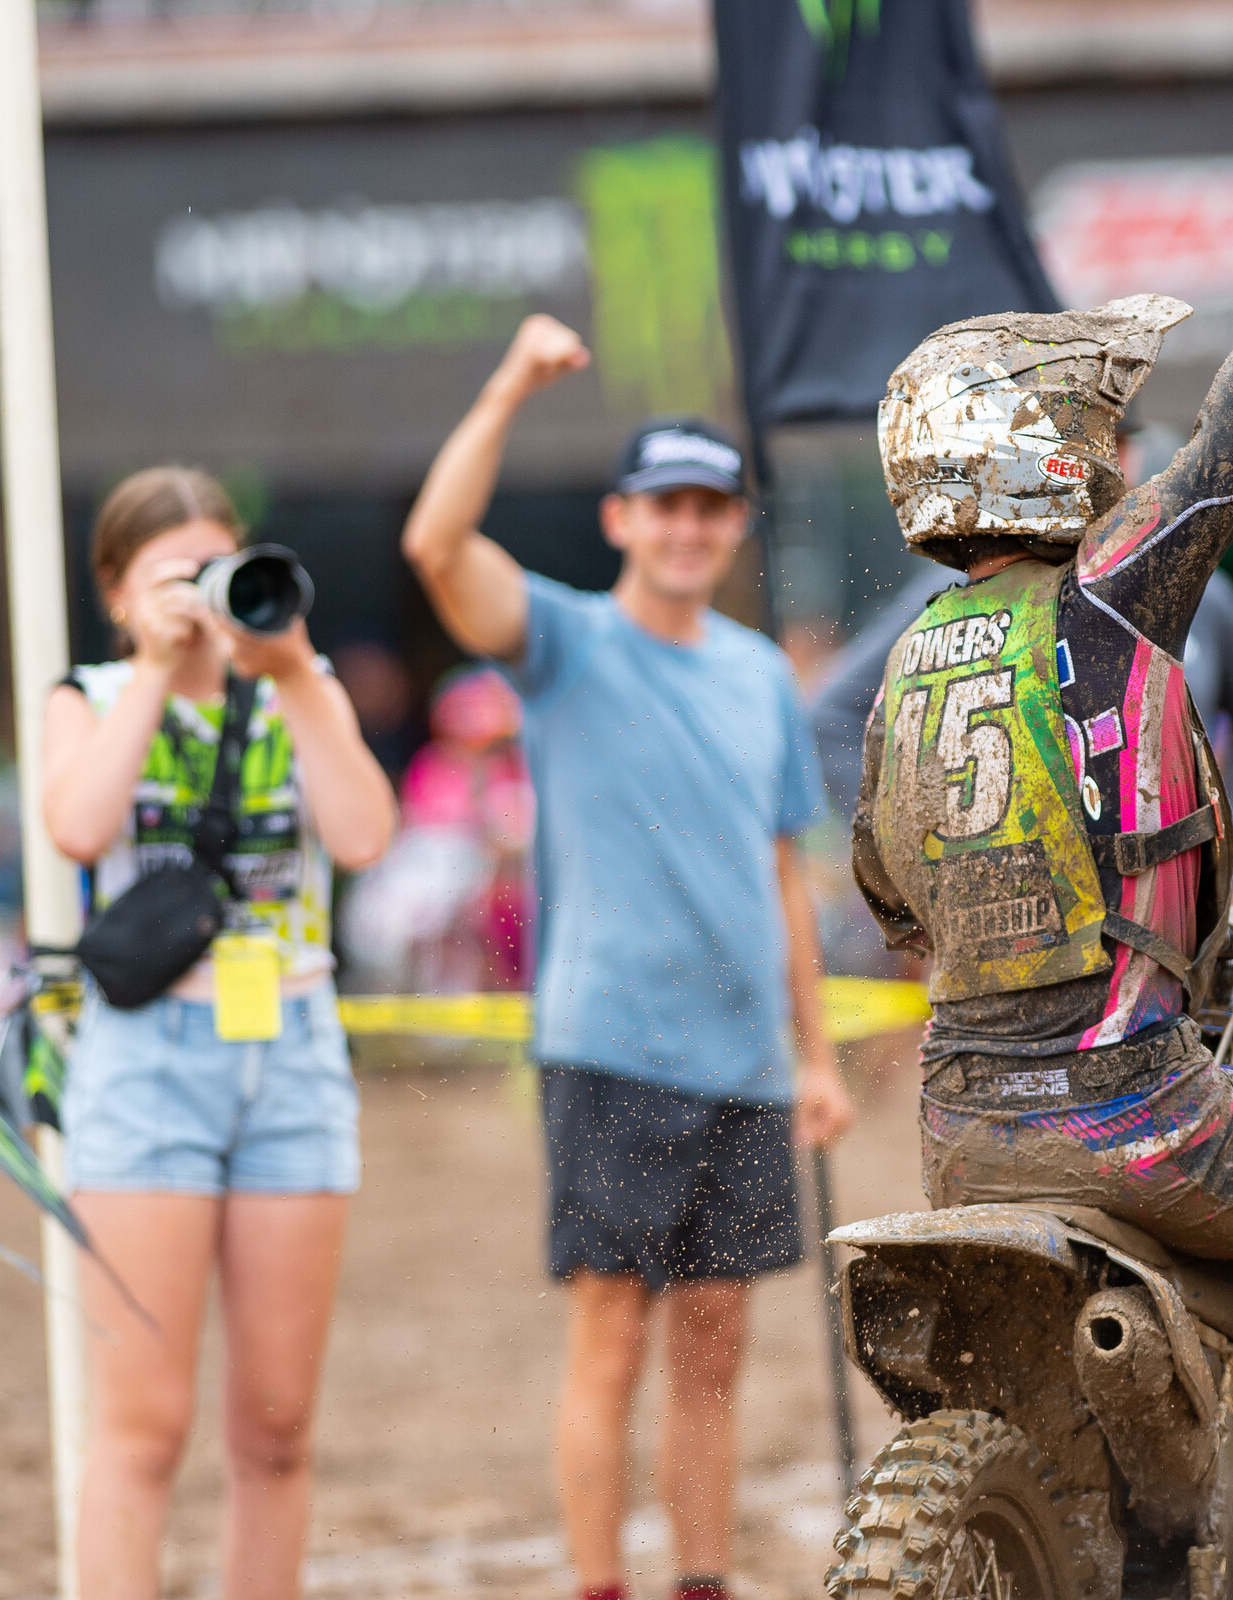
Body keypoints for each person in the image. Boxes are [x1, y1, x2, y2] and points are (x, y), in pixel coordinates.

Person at [850, 100, 1233, 1600]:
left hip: (959, 1124)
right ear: (1047, 462)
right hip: (1132, 1105)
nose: (1125, 456)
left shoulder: (907, 667)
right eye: (1103, 434)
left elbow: (887, 892)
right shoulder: (1110, 595)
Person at [400, 322, 856, 1600]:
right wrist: (508, 385)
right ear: (621, 519)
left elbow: (782, 875)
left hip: (745, 1063)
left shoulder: (763, 676)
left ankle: (700, 1582)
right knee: (611, 1339)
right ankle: (604, 1587)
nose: (688, 529)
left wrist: (816, 1056)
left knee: (715, 1346)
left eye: (711, 508)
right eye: (666, 507)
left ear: (733, 526)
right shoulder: (565, 644)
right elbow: (436, 547)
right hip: (612, 1048)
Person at [41, 466, 398, 1600]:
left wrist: (289, 668)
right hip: (146, 1065)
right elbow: (77, 825)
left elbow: (363, 835)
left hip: (291, 1052)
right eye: (168, 578)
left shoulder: (302, 679)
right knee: (143, 1426)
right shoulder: (91, 694)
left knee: (278, 1427)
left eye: (214, 569)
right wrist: (154, 664)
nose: (197, 596)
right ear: (115, 593)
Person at [810, 566, 1233, 890]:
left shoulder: (1188, 585)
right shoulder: (965, 589)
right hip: (1007, 918)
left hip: (1162, 921)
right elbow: (833, 719)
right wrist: (916, 858)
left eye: (1118, 441)